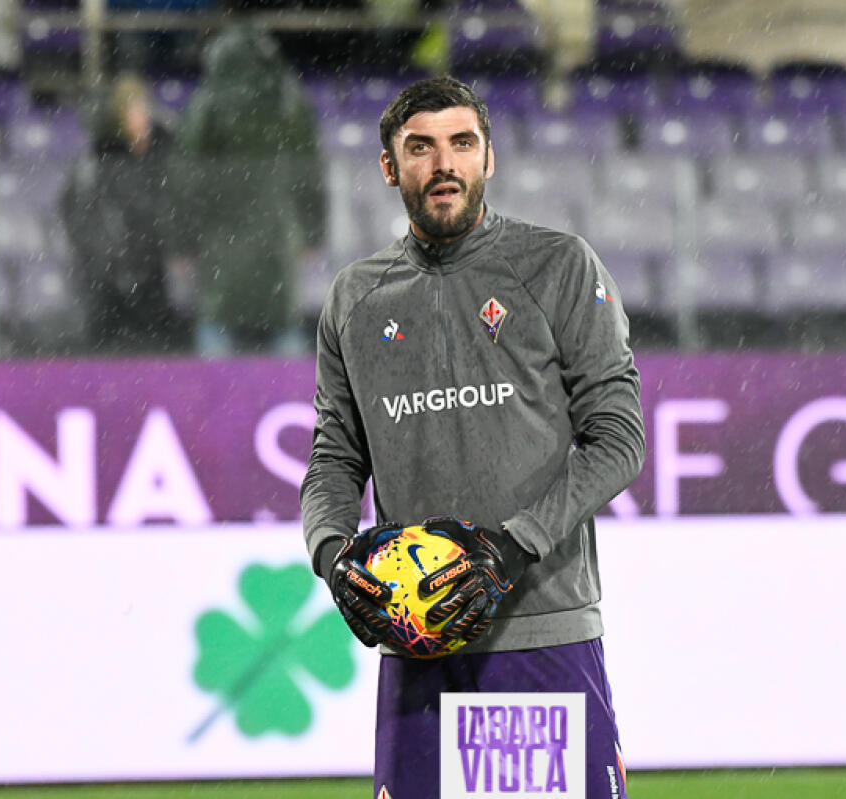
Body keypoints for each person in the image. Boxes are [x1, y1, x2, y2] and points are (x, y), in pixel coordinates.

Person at [300, 76, 644, 796]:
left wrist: (512, 546)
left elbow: (617, 438)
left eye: (462, 143)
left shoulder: (557, 267)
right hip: (419, 643)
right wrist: (334, 559)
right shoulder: (355, 298)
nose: (444, 164)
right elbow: (334, 457)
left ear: (489, 158)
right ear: (391, 168)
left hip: (543, 632)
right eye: (420, 148)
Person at [177, 23, 325, 357]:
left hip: (221, 233)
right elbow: (310, 175)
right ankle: (292, 397)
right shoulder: (291, 102)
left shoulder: (206, 104)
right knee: (284, 324)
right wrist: (313, 232)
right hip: (280, 232)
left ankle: (209, 404)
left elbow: (186, 180)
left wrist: (182, 240)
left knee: (216, 322)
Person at [59, 74, 187, 353]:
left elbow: (180, 210)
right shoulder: (95, 166)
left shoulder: (166, 158)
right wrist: (117, 268)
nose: (143, 118)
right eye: (134, 110)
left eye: (144, 109)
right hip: (109, 292)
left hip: (157, 286)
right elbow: (81, 224)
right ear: (118, 118)